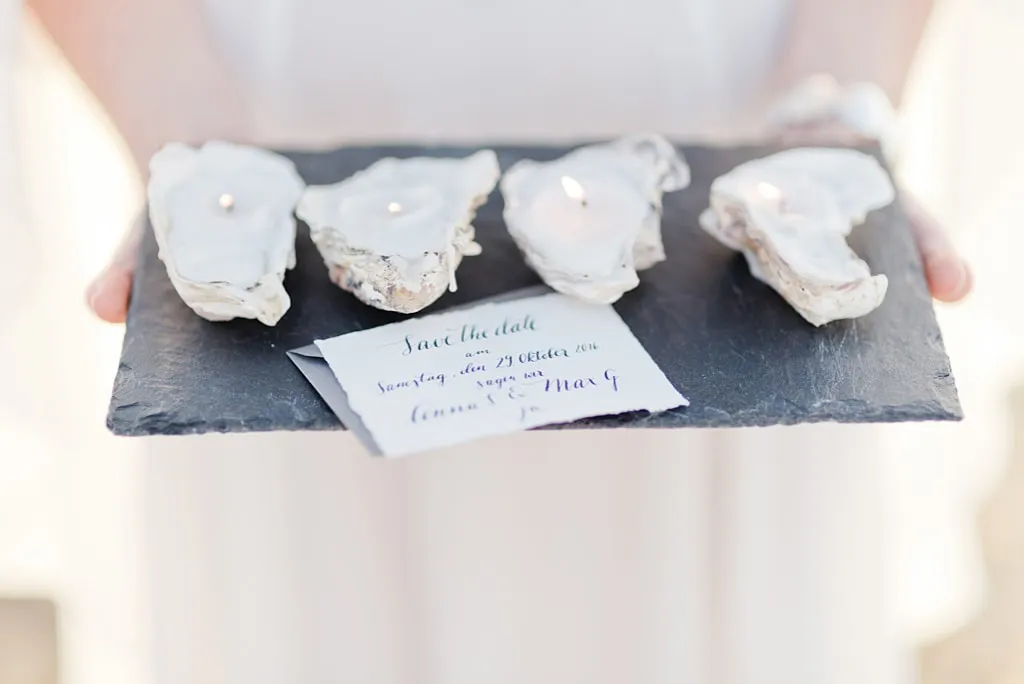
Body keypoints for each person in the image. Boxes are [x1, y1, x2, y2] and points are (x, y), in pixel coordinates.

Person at [27, 0, 972, 682]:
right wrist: (200, 147)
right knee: (317, 603)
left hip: (721, 118)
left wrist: (829, 112)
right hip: (264, 98)